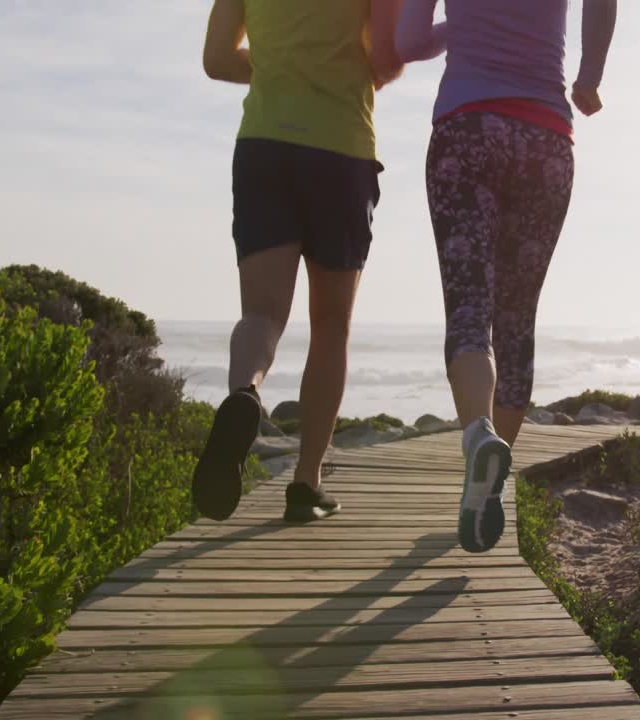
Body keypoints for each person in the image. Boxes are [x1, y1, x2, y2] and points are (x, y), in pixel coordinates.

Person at [396, 0, 618, 552]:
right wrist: (589, 76)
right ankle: (489, 490)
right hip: (547, 138)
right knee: (517, 317)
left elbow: (405, 43)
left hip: (467, 129)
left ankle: (479, 435)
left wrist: (461, 25)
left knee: (471, 305)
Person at [193, 0, 405, 524]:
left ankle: (246, 392)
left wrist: (275, 65)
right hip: (340, 150)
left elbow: (217, 59)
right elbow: (386, 60)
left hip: (265, 148)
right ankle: (306, 482)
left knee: (262, 314)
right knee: (331, 325)